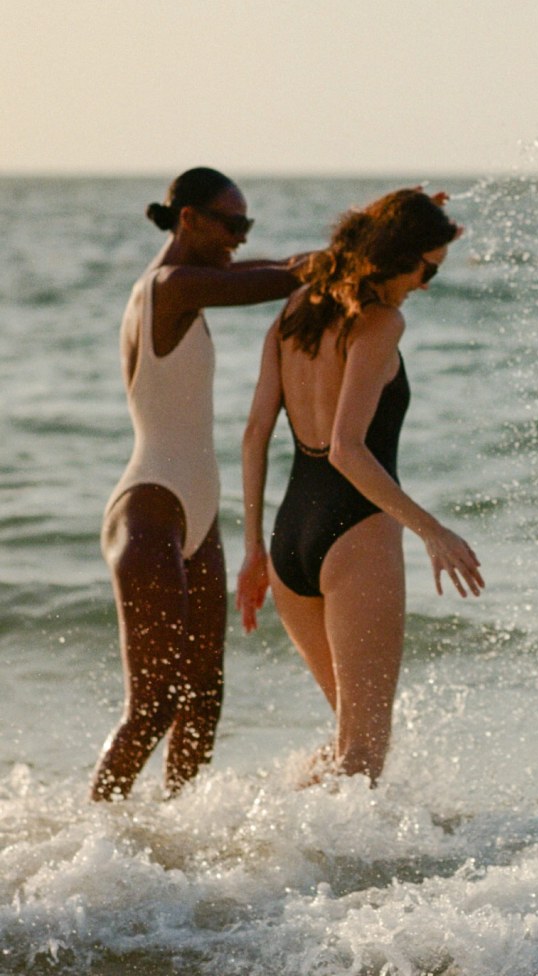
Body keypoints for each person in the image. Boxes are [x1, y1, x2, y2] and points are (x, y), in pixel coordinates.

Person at [236, 188, 484, 786]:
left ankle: (270, 847)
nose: (425, 284)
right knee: (364, 757)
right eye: (426, 268)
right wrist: (434, 531)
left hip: (290, 535)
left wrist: (253, 552)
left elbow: (252, 436)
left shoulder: (293, 311)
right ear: (397, 256)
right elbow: (348, 449)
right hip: (355, 533)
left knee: (349, 743)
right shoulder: (379, 323)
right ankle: (326, 874)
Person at [91, 167, 305, 801]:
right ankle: (93, 843)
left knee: (204, 698)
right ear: (190, 219)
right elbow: (282, 277)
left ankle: (172, 845)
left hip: (198, 513)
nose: (239, 237)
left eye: (247, 226)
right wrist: (358, 250)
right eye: (231, 224)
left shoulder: (192, 283)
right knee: (153, 705)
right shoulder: (169, 286)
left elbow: (274, 266)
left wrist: (386, 230)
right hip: (151, 506)